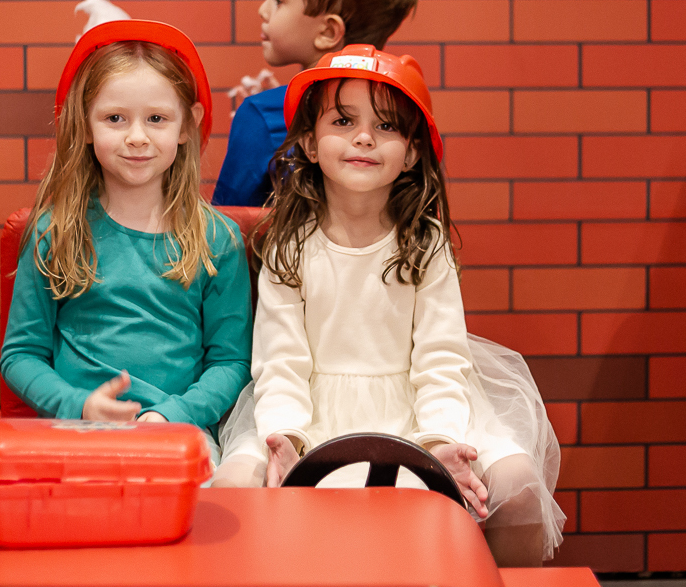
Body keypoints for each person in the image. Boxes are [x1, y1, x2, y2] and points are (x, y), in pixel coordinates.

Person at [213, 46, 565, 565]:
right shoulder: (289, 243)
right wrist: (285, 436)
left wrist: (441, 439)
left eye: (386, 127)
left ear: (413, 152)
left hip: (422, 403)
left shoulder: (425, 242)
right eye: (344, 120)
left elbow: (441, 360)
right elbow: (282, 363)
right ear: (309, 142)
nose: (363, 137)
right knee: (234, 483)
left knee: (518, 487)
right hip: (310, 409)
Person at [0, 19, 252, 464]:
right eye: (115, 119)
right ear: (85, 123)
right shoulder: (54, 232)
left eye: (156, 119)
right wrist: (78, 405)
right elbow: (21, 355)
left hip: (177, 434)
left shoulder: (216, 238)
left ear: (187, 125)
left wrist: (172, 415)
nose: (137, 137)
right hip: (75, 433)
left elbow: (231, 363)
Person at [211, 0, 420, 208]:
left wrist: (262, 118)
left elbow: (226, 230)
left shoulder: (263, 117)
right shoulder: (410, 116)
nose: (263, 10)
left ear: (327, 32)